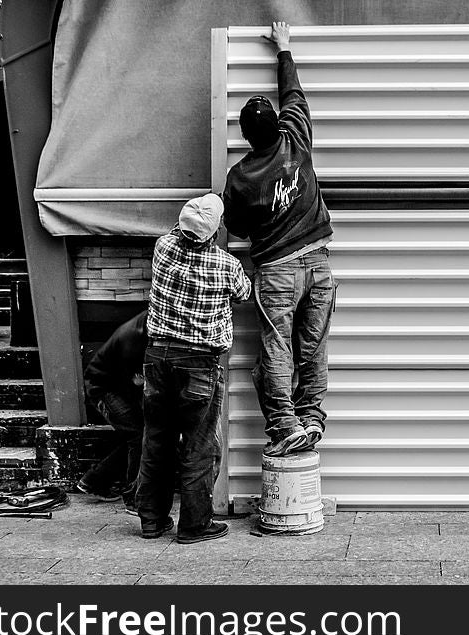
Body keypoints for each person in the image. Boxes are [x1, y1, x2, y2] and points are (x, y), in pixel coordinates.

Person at [223, 21, 335, 458]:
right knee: (313, 346)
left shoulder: (240, 177)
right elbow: (294, 95)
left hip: (276, 273)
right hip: (319, 265)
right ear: (279, 125)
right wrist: (283, 48)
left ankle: (286, 425)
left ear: (247, 137)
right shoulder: (298, 140)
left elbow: (235, 227)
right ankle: (310, 418)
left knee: (276, 349)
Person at [136, 193, 251, 543]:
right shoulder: (227, 265)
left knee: (156, 441)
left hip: (157, 358)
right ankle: (194, 524)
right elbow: (244, 292)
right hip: (200, 364)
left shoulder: (163, 248)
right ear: (214, 234)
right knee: (199, 446)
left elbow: (176, 235)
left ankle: (153, 521)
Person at [79, 309, 147, 514]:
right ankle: (134, 498)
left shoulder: (144, 324)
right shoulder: (134, 337)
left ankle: (94, 481)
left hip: (117, 387)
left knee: (137, 435)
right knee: (139, 436)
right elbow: (135, 380)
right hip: (105, 390)